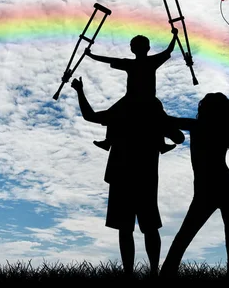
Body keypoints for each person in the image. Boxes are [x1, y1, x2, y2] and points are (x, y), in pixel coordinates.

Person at [70, 75, 184, 277]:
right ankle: (152, 273)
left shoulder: (123, 110)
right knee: (147, 227)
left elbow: (90, 116)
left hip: (121, 175)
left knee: (127, 228)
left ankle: (131, 274)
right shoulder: (151, 109)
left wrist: (79, 91)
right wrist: (163, 124)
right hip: (143, 176)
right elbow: (179, 137)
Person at [159, 64, 229, 278]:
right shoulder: (226, 125)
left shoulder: (196, 126)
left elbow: (167, 120)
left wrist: (152, 105)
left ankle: (166, 274)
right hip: (228, 187)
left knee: (185, 235)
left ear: (204, 110)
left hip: (207, 190)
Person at [84, 29, 180, 154]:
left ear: (132, 49)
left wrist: (92, 55)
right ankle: (160, 144)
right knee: (156, 115)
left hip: (135, 99)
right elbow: (169, 50)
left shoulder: (132, 63)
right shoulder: (149, 61)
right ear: (148, 48)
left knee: (114, 114)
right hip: (144, 99)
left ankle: (109, 141)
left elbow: (109, 59)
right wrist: (175, 36)